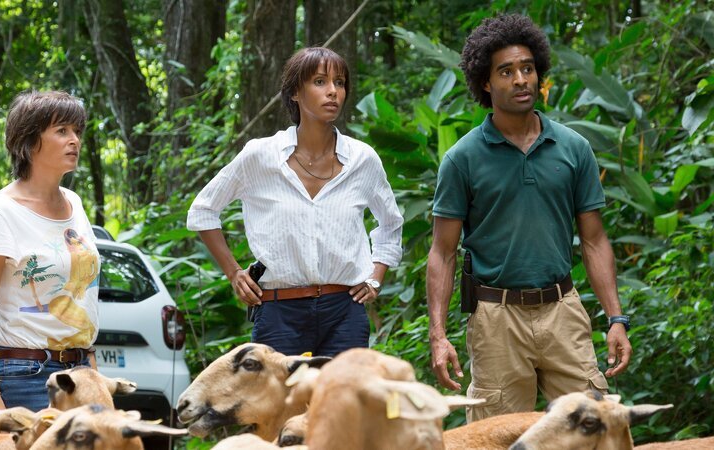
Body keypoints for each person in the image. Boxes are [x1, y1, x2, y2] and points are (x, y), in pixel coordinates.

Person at [426, 14, 633, 422]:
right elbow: (442, 252)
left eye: (528, 68)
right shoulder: (462, 159)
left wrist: (616, 318)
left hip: (563, 310)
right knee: (494, 435)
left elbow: (594, 240)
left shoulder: (573, 148)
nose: (521, 79)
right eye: (506, 71)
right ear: (486, 82)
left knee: (592, 427)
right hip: (495, 318)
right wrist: (438, 335)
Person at [187, 47, 403, 357]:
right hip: (278, 312)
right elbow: (203, 211)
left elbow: (391, 224)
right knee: (280, 405)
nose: (333, 92)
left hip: (345, 313)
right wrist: (234, 272)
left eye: (339, 83)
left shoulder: (363, 160)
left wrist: (375, 278)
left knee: (341, 404)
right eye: (319, 81)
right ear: (295, 93)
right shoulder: (260, 156)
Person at [0, 90, 100, 411]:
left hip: (81, 372)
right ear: (29, 141)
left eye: (77, 132)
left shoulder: (75, 203)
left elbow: (84, 296)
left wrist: (91, 366)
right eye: (62, 131)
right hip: (26, 373)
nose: (75, 141)